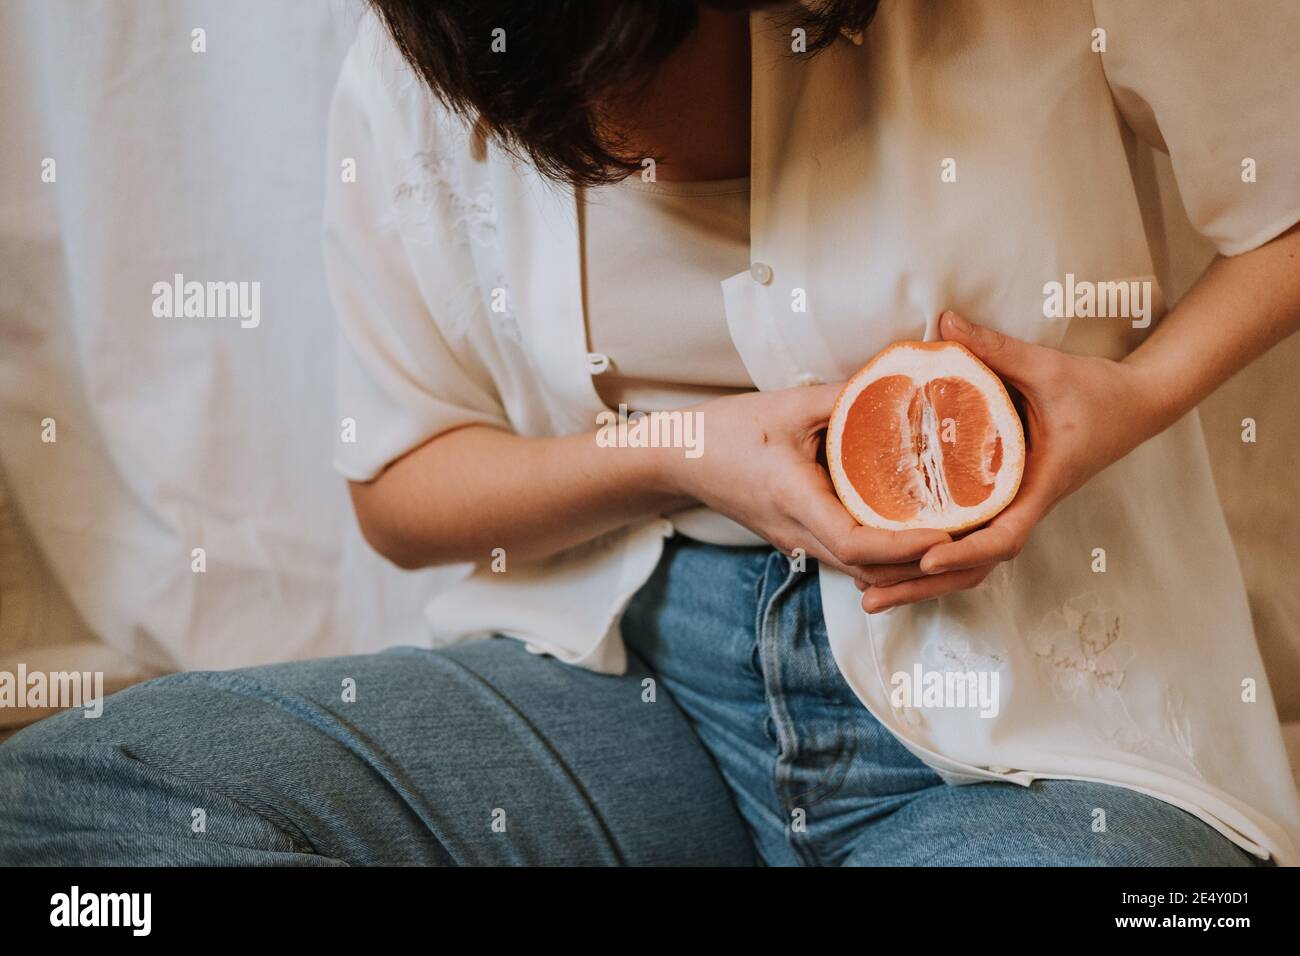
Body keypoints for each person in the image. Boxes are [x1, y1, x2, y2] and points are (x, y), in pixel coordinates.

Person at [2, 0, 1298, 866]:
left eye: (626, 83)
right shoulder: (447, 46)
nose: (604, 153)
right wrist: (672, 451)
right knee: (76, 800)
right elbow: (399, 487)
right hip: (639, 689)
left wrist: (1135, 397)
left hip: (1025, 739)